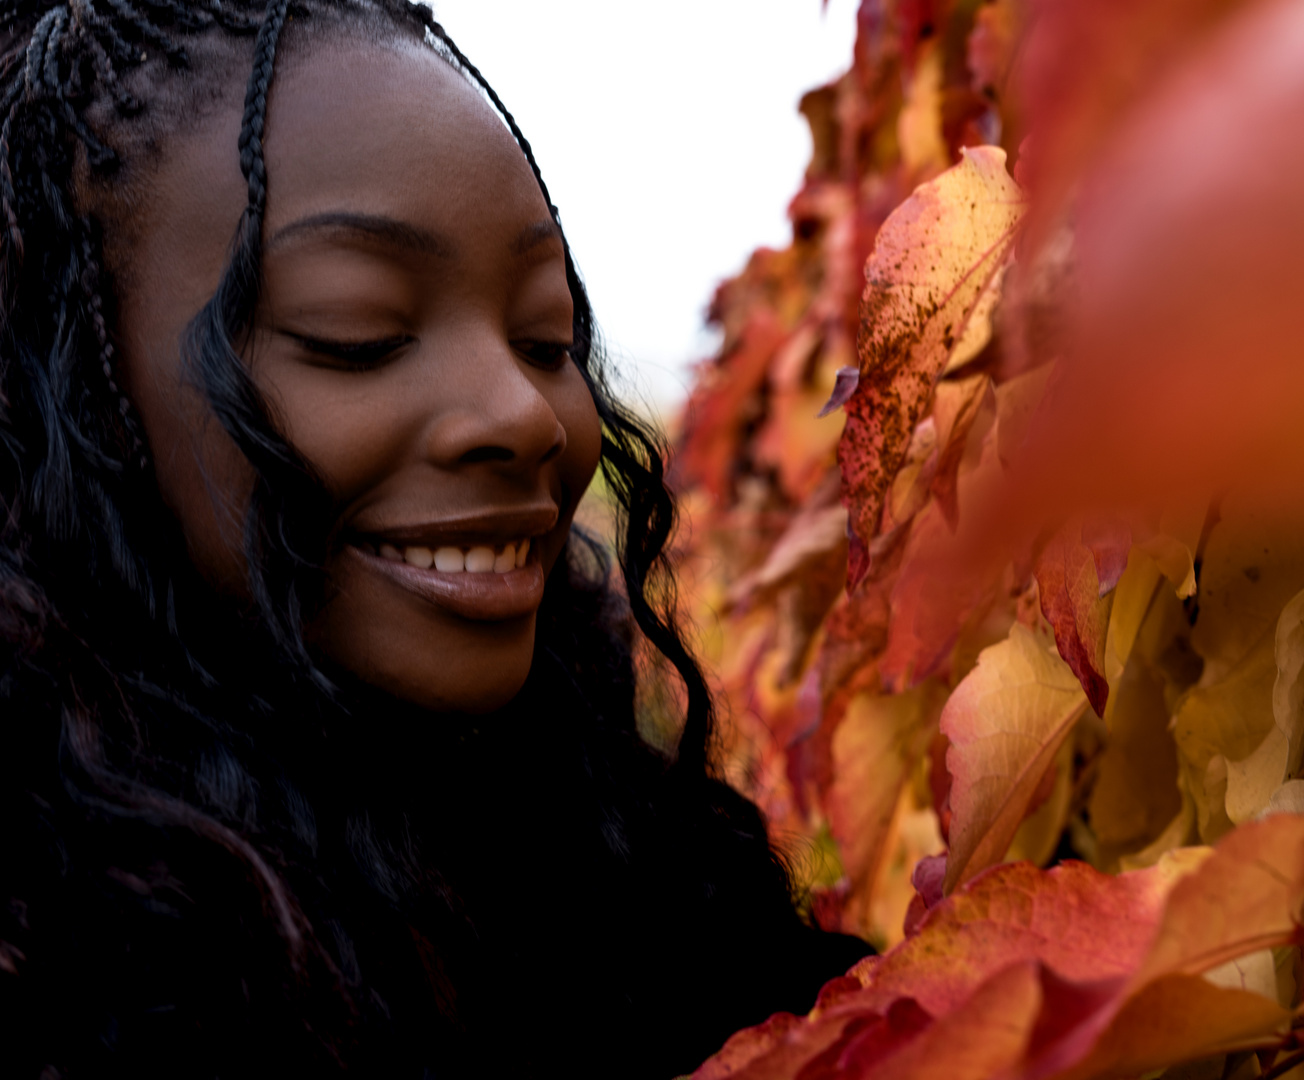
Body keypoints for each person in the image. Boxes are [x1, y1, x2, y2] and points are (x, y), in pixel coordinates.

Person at [0, 2, 870, 1076]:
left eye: (546, 336)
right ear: (65, 398)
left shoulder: (644, 892)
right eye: (355, 335)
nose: (524, 414)